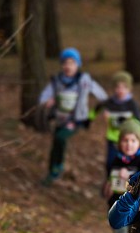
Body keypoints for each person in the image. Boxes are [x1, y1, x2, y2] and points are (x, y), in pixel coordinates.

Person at [39, 48, 108, 185]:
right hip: (60, 119)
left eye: (72, 63)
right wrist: (49, 101)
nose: (68, 66)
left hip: (77, 120)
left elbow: (102, 95)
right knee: (56, 142)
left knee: (60, 138)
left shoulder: (84, 81)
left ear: (78, 65)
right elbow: (44, 96)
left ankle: (58, 168)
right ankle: (53, 170)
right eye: (65, 63)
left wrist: (104, 109)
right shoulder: (57, 81)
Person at [94, 70, 140, 172]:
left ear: (129, 89)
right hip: (113, 138)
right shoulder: (110, 102)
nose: (120, 90)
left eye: (124, 87)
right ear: (114, 88)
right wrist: (90, 119)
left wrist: (131, 125)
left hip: (128, 139)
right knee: (111, 163)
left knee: (129, 163)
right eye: (118, 87)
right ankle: (110, 183)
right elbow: (96, 108)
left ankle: (130, 184)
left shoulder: (132, 104)